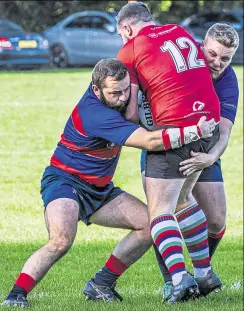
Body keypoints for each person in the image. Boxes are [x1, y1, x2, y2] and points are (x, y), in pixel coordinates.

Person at [1, 59, 214, 308]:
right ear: (95, 89)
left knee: (149, 226)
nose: (123, 98)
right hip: (64, 181)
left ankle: (101, 283)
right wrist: (193, 131)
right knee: (61, 240)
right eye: (114, 93)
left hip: (100, 189)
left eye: (126, 89)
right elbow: (149, 142)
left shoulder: (114, 93)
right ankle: (16, 295)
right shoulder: (96, 113)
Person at [115, 2, 222, 303]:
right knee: (183, 200)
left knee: (159, 211)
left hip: (175, 129)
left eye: (121, 34)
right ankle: (204, 272)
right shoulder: (178, 30)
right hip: (207, 124)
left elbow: (132, 109)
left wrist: (125, 125)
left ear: (126, 27)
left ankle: (180, 279)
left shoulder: (131, 47)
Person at [139, 23, 240, 301]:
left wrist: (210, 158)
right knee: (163, 211)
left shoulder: (227, 80)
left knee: (217, 221)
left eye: (225, 58)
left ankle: (201, 272)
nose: (216, 62)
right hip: (167, 144)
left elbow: (225, 129)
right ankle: (173, 280)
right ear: (200, 46)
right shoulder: (180, 61)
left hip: (205, 150)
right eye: (212, 54)